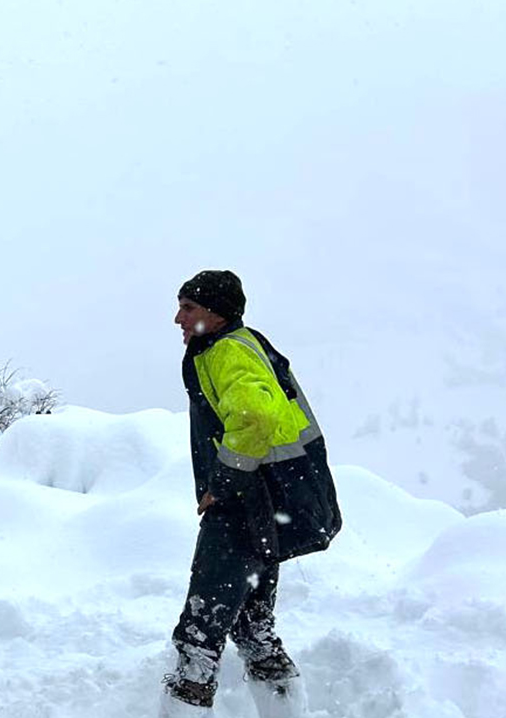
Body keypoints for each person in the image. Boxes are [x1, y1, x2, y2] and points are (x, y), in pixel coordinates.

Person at [162, 270, 342, 717]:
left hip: (245, 502)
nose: (177, 318)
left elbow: (256, 417)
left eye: (188, 308)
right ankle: (285, 709)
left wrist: (223, 482)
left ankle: (186, 706)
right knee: (253, 624)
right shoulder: (239, 344)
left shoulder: (228, 353)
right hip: (269, 503)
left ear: (216, 312)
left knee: (200, 636)